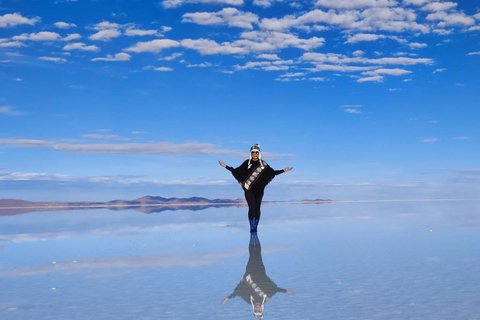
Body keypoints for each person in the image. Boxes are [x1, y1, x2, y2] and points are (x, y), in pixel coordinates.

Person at [218, 144, 293, 233]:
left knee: (257, 208)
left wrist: (284, 170)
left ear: (259, 154)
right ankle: (251, 227)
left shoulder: (263, 165)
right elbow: (237, 171)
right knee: (251, 208)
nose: (255, 154)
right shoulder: (247, 163)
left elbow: (272, 172)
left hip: (259, 190)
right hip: (249, 190)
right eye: (253, 152)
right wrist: (226, 166)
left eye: (256, 152)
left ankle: (255, 227)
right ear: (251, 154)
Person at [221, 233, 294, 319]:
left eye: (256, 310)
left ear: (254, 309)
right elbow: (274, 289)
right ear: (262, 309)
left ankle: (252, 236)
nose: (257, 308)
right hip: (260, 270)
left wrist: (228, 298)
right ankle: (255, 235)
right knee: (258, 254)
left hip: (250, 271)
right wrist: (286, 291)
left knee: (252, 254)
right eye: (259, 310)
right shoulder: (266, 297)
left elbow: (239, 292)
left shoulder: (249, 299)